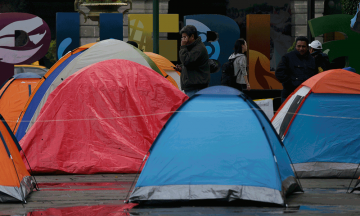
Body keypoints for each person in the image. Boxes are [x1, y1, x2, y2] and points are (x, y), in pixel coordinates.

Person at [276, 36, 317, 103]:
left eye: (303, 46)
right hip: (289, 95)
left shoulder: (312, 60)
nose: (301, 48)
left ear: (307, 47)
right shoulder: (288, 57)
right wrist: (291, 84)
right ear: (295, 46)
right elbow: (279, 73)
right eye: (299, 46)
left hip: (306, 95)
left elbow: (315, 76)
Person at [174, 25, 210, 97]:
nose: (183, 40)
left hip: (196, 87)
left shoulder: (198, 49)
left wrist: (183, 47)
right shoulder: (193, 47)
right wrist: (182, 67)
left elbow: (186, 61)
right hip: (193, 86)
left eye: (185, 37)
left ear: (192, 36)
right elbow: (192, 64)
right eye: (182, 37)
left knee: (193, 108)